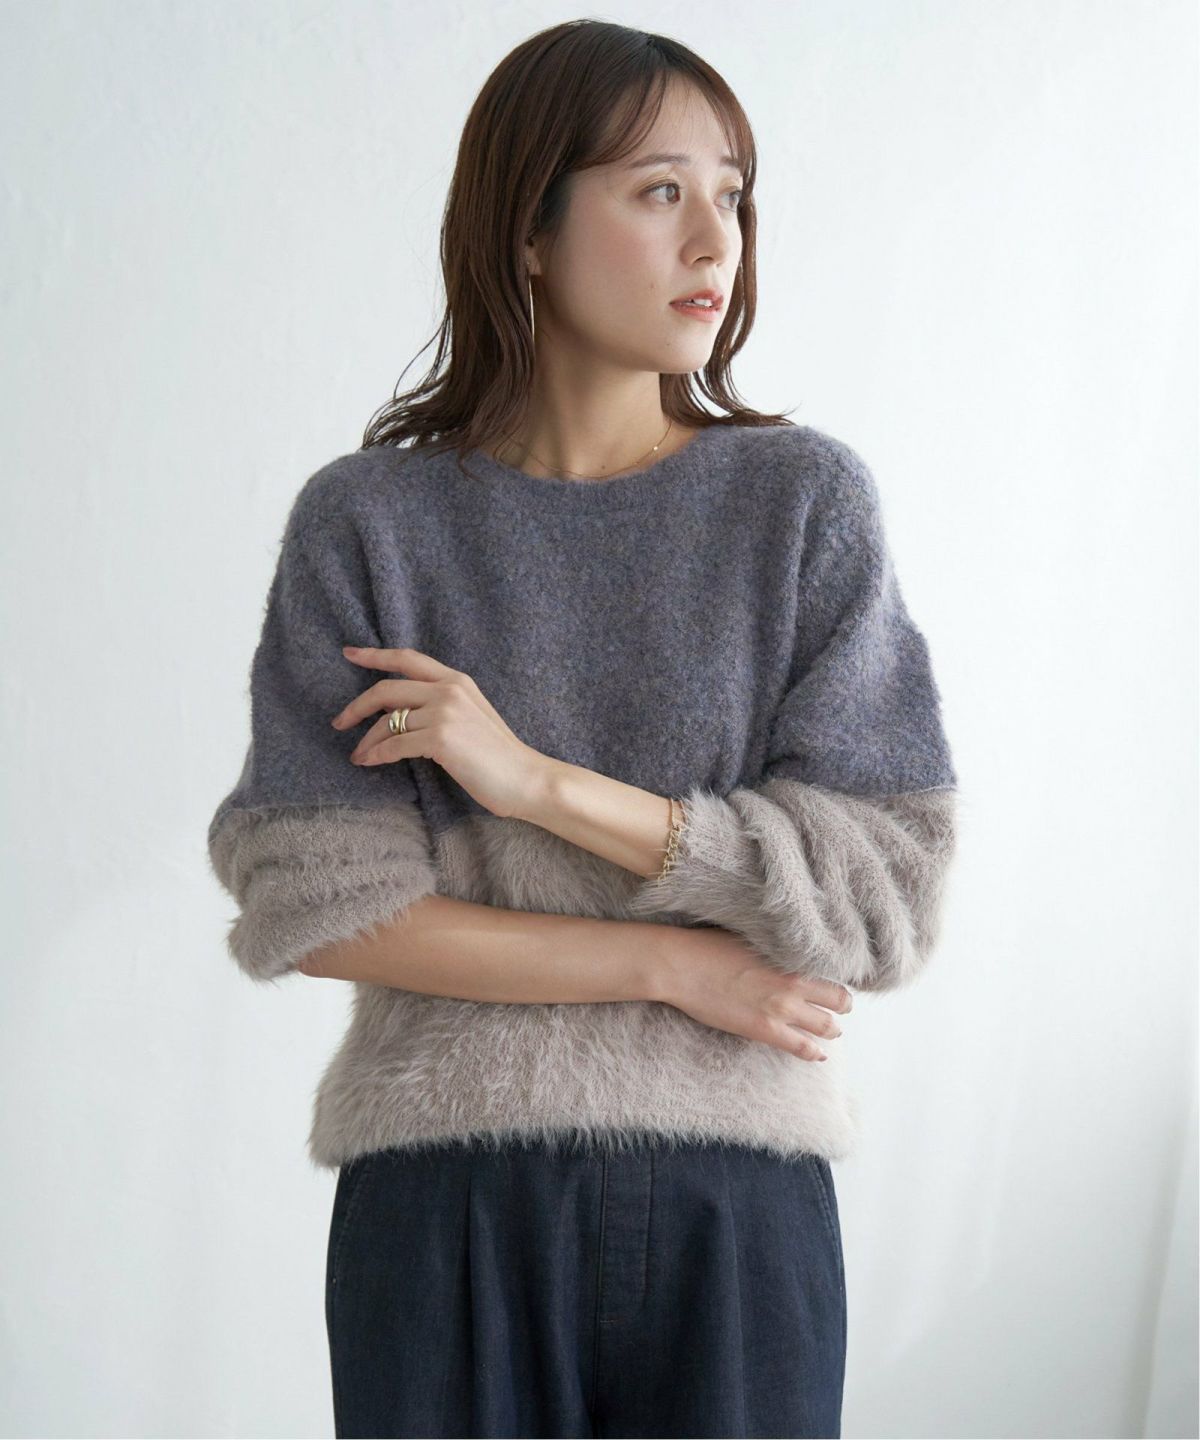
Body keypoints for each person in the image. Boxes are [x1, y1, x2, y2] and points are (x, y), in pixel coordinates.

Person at [206, 19, 959, 1440]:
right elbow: (322, 906)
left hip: (737, 1203)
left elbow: (882, 897)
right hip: (445, 1196)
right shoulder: (371, 523)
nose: (715, 241)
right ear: (529, 231)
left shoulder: (802, 506)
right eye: (659, 191)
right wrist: (669, 966)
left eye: (733, 195)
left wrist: (538, 785)